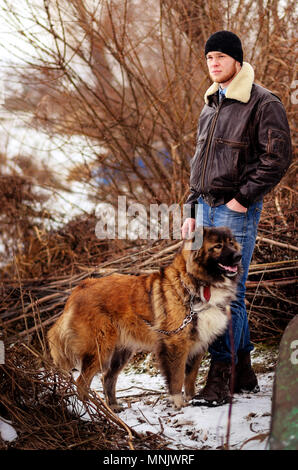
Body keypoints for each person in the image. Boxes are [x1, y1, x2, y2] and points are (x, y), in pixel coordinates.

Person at [181, 30, 292, 406]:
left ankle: (221, 376)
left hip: (234, 212)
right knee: (201, 290)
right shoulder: (211, 102)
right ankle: (243, 372)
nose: (214, 63)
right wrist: (191, 210)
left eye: (221, 57)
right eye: (210, 57)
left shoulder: (262, 102)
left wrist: (242, 200)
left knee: (228, 296)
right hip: (204, 210)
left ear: (238, 62)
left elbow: (277, 157)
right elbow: (198, 165)